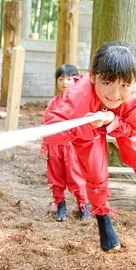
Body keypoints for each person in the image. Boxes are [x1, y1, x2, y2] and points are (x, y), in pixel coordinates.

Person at [42, 42, 136, 252]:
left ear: (134, 83)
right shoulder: (76, 98)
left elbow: (134, 128)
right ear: (92, 76)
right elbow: (50, 132)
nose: (115, 93)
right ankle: (102, 217)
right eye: (107, 82)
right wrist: (83, 126)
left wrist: (112, 121)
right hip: (85, 123)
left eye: (124, 85)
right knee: (93, 170)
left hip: (122, 120)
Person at [40, 64, 91, 222]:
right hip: (55, 146)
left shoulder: (81, 102)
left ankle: (83, 206)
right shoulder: (53, 103)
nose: (65, 82)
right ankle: (60, 206)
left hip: (72, 147)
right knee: (56, 177)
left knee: (76, 176)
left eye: (69, 78)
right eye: (61, 79)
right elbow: (46, 126)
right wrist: (45, 146)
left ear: (76, 80)